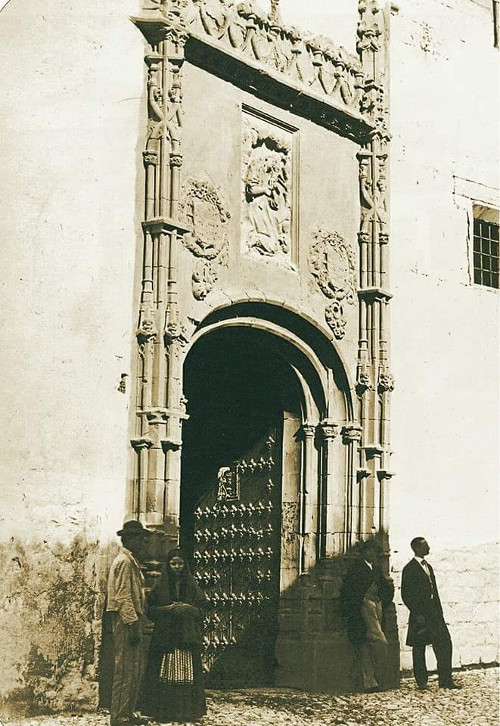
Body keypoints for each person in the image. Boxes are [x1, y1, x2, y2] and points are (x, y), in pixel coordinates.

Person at [141, 548, 207, 724]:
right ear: (168, 565)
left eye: (180, 563)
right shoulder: (160, 585)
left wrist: (188, 609)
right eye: (173, 563)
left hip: (186, 637)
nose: (176, 567)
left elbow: (202, 610)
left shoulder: (192, 586)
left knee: (185, 673)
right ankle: (164, 711)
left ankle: (186, 712)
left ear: (184, 565)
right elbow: (150, 610)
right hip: (165, 636)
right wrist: (167, 609)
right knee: (166, 672)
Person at [401, 537, 460, 690]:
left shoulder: (429, 567)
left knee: (444, 643)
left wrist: (439, 612)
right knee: (419, 647)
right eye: (425, 545)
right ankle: (421, 681)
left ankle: (445, 679)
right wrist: (417, 613)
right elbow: (406, 595)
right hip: (420, 615)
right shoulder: (410, 569)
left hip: (434, 614)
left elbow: (434, 591)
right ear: (417, 548)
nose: (429, 548)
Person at [106, 519, 149, 726]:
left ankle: (127, 713)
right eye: (140, 538)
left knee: (133, 669)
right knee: (125, 670)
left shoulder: (129, 560)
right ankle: (120, 716)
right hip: (126, 620)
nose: (143, 543)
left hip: (130, 619)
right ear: (130, 539)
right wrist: (132, 624)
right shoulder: (124, 562)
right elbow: (123, 596)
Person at [339, 539, 394, 692]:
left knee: (367, 647)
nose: (371, 554)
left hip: (377, 606)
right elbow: (348, 592)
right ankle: (373, 679)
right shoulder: (356, 569)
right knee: (378, 642)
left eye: (374, 552)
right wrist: (362, 600)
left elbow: (386, 588)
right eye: (368, 551)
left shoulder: (375, 569)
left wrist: (383, 599)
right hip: (362, 610)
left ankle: (371, 682)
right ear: (363, 552)